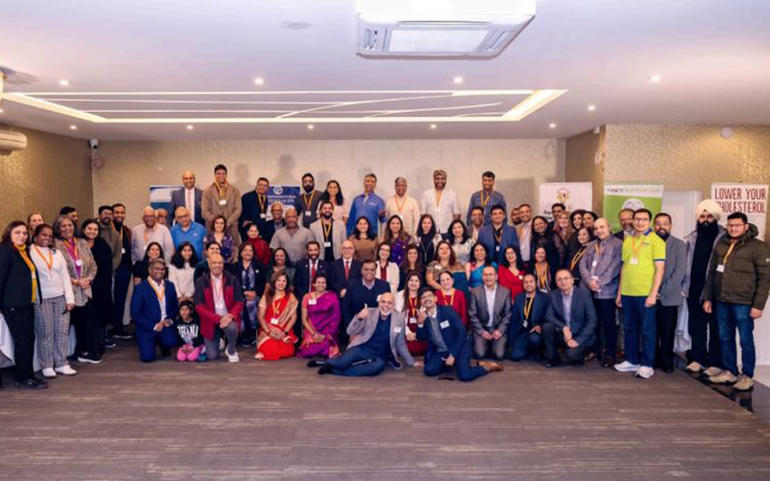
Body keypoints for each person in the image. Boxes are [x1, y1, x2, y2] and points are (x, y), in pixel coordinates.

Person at [703, 212, 770, 391]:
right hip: (722, 300)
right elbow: (712, 272)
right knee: (725, 337)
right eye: (730, 225)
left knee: (745, 340)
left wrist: (758, 305)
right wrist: (708, 297)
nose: (733, 228)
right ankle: (730, 371)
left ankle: (747, 375)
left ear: (746, 226)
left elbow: (765, 278)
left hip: (744, 302)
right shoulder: (721, 243)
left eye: (737, 225)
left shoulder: (758, 247)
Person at [310, 292, 417, 376]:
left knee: (376, 368)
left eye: (389, 303)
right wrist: (359, 318)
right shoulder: (369, 312)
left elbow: (400, 343)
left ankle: (332, 370)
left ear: (394, 305)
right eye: (383, 302)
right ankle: (326, 363)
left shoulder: (399, 318)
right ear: (379, 303)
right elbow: (350, 331)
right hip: (362, 348)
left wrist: (411, 362)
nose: (386, 305)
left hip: (379, 356)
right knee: (344, 362)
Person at [614, 208, 666, 380]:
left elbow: (660, 269)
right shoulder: (628, 240)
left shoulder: (656, 241)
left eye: (644, 219)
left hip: (645, 293)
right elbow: (624, 268)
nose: (640, 222)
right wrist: (620, 293)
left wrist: (653, 293)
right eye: (637, 219)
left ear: (649, 222)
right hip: (628, 292)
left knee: (647, 330)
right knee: (629, 328)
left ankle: (647, 364)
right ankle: (632, 360)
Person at [0, 221, 48, 389]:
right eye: (17, 232)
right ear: (9, 234)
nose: (21, 236)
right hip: (13, 305)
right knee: (23, 341)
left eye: (24, 233)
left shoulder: (23, 251)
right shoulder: (5, 251)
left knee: (27, 340)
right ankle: (23, 377)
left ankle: (27, 374)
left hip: (26, 303)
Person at [417, 288, 502, 381]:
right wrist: (420, 323)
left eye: (429, 296)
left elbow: (461, 332)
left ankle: (486, 367)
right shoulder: (423, 317)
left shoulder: (447, 310)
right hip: (442, 351)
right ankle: (455, 364)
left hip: (460, 347)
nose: (426, 299)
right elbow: (421, 338)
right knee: (428, 370)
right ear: (421, 302)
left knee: (465, 376)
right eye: (423, 297)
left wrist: (453, 355)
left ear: (436, 299)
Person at [684, 199, 726, 376]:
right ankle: (698, 359)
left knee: (716, 328)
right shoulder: (692, 237)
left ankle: (716, 363)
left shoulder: (724, 238)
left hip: (716, 290)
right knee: (696, 326)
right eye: (702, 216)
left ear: (716, 218)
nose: (706, 220)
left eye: (709, 216)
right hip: (694, 289)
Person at [30, 224, 77, 378]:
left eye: (50, 236)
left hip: (60, 297)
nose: (47, 238)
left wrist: (70, 298)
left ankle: (62, 363)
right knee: (46, 333)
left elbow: (65, 276)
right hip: (42, 299)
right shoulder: (30, 252)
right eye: (44, 235)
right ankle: (47, 365)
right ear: (35, 236)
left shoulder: (56, 253)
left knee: (62, 331)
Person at [54, 215, 101, 364]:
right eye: (63, 226)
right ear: (58, 228)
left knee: (85, 322)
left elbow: (93, 265)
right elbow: (56, 271)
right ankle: (61, 357)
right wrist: (75, 281)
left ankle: (82, 351)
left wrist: (88, 279)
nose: (67, 228)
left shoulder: (81, 242)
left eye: (70, 225)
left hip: (85, 290)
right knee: (66, 325)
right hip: (67, 291)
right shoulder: (55, 245)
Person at [579, 218, 623, 367]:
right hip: (590, 290)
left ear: (609, 227)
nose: (599, 230)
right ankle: (597, 351)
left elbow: (615, 268)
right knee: (594, 322)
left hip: (607, 292)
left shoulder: (618, 244)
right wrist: (589, 282)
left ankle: (610, 354)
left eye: (602, 227)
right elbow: (582, 264)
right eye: (596, 228)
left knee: (608, 323)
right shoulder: (591, 245)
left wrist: (599, 283)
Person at [652, 213, 687, 374]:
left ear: (670, 226)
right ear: (654, 226)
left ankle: (667, 361)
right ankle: (652, 360)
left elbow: (679, 272)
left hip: (670, 296)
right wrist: (652, 291)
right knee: (652, 331)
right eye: (658, 224)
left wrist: (660, 290)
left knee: (667, 331)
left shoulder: (679, 245)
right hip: (650, 296)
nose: (661, 227)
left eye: (665, 223)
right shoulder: (649, 243)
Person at [194, 253, 244, 362]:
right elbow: (199, 306)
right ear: (209, 264)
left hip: (228, 317)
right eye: (214, 263)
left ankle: (230, 349)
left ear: (223, 264)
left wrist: (230, 315)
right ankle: (219, 341)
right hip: (210, 320)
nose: (217, 265)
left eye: (220, 263)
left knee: (232, 328)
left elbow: (239, 302)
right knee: (212, 356)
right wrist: (218, 319)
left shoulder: (232, 279)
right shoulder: (201, 281)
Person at [543, 269, 597, 367]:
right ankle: (553, 358)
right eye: (559, 279)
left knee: (572, 356)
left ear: (572, 280)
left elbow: (592, 320)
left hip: (581, 335)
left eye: (566, 278)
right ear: (556, 283)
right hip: (564, 334)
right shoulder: (553, 295)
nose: (563, 281)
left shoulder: (584, 294)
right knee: (547, 326)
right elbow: (548, 316)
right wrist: (564, 327)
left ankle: (582, 353)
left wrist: (578, 340)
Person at [130, 259, 179, 362]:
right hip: (147, 327)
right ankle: (151, 343)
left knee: (172, 342)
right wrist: (154, 326)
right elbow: (135, 313)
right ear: (150, 270)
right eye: (156, 269)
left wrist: (169, 320)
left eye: (162, 269)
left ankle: (163, 344)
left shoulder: (170, 286)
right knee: (147, 358)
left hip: (165, 325)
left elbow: (175, 306)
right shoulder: (140, 288)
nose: (160, 271)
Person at [341, 259, 390, 344]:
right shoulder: (352, 285)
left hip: (377, 329)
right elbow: (346, 309)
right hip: (357, 328)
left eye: (372, 270)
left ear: (375, 271)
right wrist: (352, 329)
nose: (369, 272)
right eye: (366, 269)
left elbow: (388, 309)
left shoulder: (384, 286)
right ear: (361, 270)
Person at [468, 265, 512, 360]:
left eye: (491, 275)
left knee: (499, 355)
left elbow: (508, 314)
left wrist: (500, 330)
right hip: (482, 328)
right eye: (485, 275)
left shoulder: (505, 291)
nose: (488, 277)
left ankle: (493, 345)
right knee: (480, 354)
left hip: (497, 328)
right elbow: (472, 315)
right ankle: (485, 344)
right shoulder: (475, 292)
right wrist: (481, 332)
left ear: (496, 276)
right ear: (482, 277)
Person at [228, 242, 267, 346]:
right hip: (239, 295)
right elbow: (232, 284)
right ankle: (242, 334)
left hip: (255, 295)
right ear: (240, 252)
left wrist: (255, 292)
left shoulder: (260, 266)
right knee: (241, 305)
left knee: (252, 303)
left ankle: (252, 333)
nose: (248, 253)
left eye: (250, 250)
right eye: (245, 250)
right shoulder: (234, 267)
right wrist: (243, 293)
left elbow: (263, 283)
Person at [82, 219, 112, 355]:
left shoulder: (102, 245)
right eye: (89, 228)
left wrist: (96, 282)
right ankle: (85, 347)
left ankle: (99, 346)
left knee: (98, 316)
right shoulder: (79, 244)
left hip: (100, 287)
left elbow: (107, 268)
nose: (92, 231)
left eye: (95, 229)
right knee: (85, 318)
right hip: (82, 286)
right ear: (83, 229)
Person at [255, 271, 298, 360]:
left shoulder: (291, 298)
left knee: (287, 351)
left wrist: (284, 332)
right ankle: (264, 351)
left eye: (284, 281)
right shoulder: (267, 295)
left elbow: (293, 318)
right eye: (278, 280)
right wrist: (269, 332)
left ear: (287, 283)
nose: (281, 283)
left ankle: (264, 353)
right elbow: (260, 316)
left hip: (283, 330)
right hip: (267, 328)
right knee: (270, 347)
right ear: (274, 281)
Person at [297, 273, 341, 359]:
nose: (321, 285)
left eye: (323, 283)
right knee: (308, 350)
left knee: (327, 347)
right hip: (311, 329)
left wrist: (324, 334)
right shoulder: (307, 297)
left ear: (326, 285)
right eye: (318, 282)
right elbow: (304, 319)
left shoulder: (332, 297)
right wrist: (313, 334)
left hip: (327, 330)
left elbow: (335, 318)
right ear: (313, 284)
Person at [509, 274, 548, 361]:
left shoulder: (544, 297)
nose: (528, 284)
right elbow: (514, 320)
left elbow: (548, 317)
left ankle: (539, 351)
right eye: (525, 282)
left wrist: (540, 326)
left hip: (536, 332)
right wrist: (511, 342)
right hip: (523, 332)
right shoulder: (519, 297)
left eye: (531, 281)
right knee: (515, 356)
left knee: (534, 339)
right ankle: (527, 349)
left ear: (536, 283)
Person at [201, 164, 242, 244]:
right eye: (218, 173)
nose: (221, 176)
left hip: (231, 227)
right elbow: (204, 212)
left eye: (223, 173)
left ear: (226, 175)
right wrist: (217, 223)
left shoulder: (235, 190)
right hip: (213, 228)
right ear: (215, 175)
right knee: (213, 249)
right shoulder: (207, 191)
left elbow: (238, 209)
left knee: (232, 250)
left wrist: (227, 223)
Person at [111, 203, 133, 339]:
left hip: (124, 270)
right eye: (117, 212)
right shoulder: (108, 230)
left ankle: (118, 328)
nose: (120, 215)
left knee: (120, 300)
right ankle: (109, 328)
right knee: (109, 300)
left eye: (122, 212)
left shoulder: (126, 230)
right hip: (111, 270)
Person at [396, 270, 428, 355]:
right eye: (411, 280)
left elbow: (426, 318)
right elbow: (398, 318)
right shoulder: (399, 295)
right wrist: (408, 333)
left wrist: (417, 334)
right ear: (407, 282)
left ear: (420, 283)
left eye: (416, 281)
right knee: (405, 347)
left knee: (424, 346)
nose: (413, 283)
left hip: (420, 332)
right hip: (404, 332)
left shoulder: (424, 296)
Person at [420, 169, 461, 234]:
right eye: (437, 179)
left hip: (447, 231)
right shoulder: (426, 194)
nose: (440, 181)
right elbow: (423, 215)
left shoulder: (452, 194)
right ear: (434, 179)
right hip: (430, 231)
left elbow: (456, 214)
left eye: (442, 179)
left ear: (445, 180)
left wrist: (455, 230)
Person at [97, 205, 121, 275]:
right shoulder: (94, 231)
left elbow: (118, 255)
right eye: (105, 213)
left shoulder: (116, 234)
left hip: (109, 272)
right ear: (99, 215)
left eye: (110, 214)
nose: (107, 216)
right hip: (94, 272)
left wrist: (110, 268)